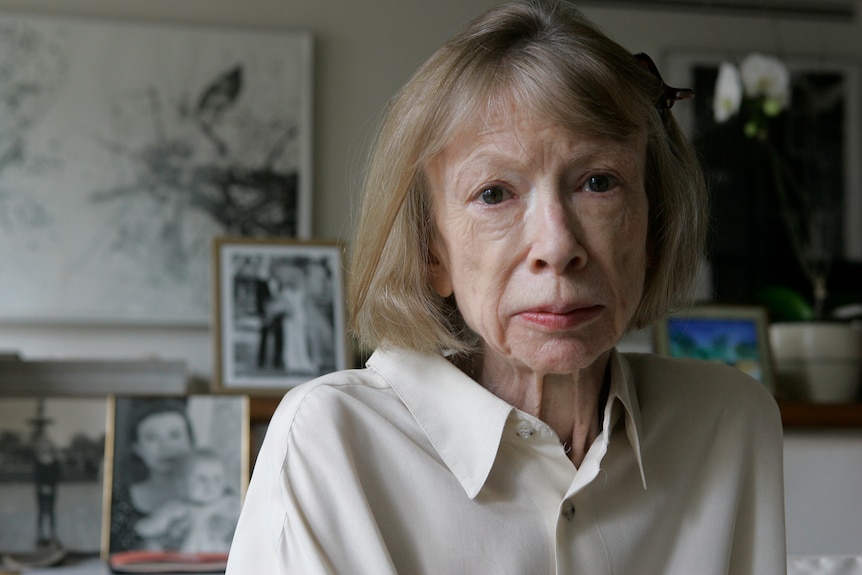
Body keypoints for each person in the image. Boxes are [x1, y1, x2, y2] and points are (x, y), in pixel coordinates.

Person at [227, 1, 786, 573]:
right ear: (430, 250)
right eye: (494, 193)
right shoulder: (331, 441)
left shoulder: (728, 420)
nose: (557, 245)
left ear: (652, 225)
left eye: (599, 182)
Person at [109, 398, 195, 553]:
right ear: (137, 448)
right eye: (151, 438)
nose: (165, 446)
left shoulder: (221, 495)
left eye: (175, 435)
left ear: (190, 441)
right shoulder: (117, 499)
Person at [135, 448, 240, 554]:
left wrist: (231, 531)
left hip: (220, 561)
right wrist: (149, 528)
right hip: (186, 560)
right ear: (182, 483)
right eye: (201, 479)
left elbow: (245, 527)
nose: (210, 485)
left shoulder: (230, 505)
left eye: (217, 479)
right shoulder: (176, 508)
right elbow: (153, 526)